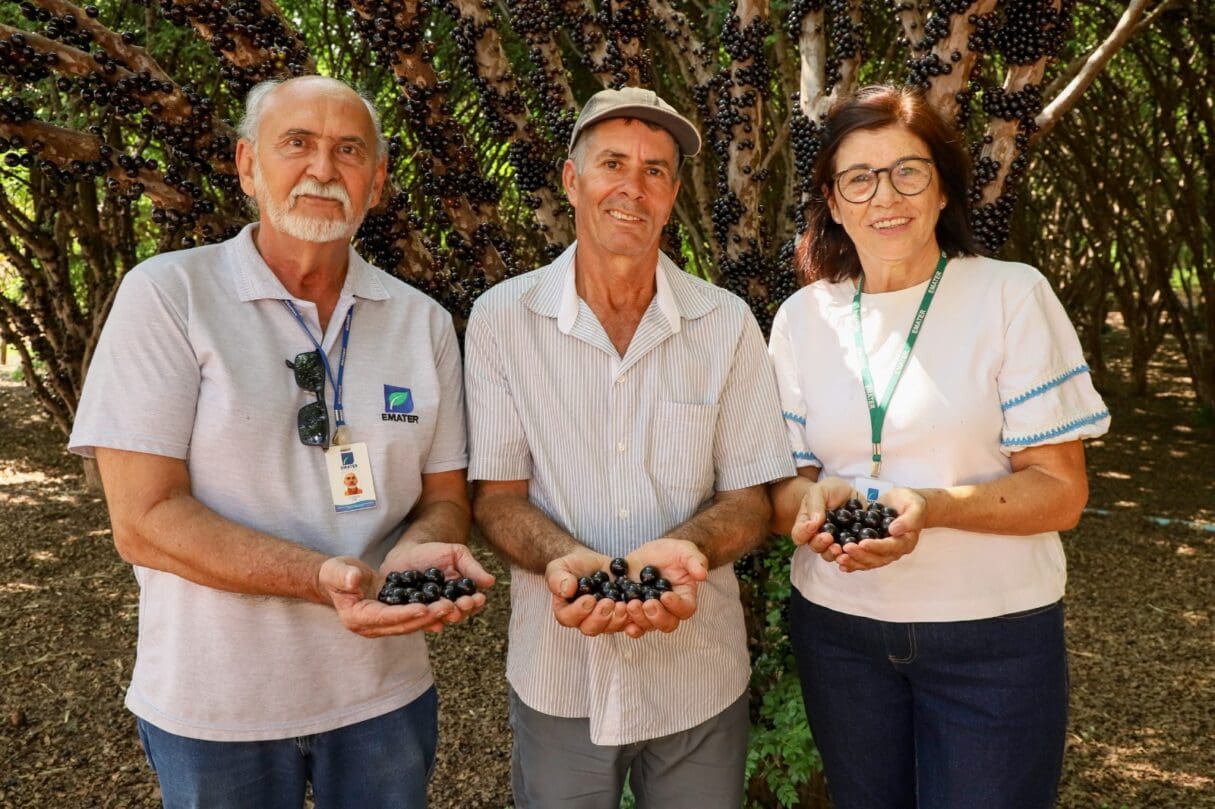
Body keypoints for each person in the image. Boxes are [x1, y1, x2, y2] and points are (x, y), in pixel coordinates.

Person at [68, 75, 493, 808]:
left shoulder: (421, 321)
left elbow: (444, 495)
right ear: (246, 164)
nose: (323, 169)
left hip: (382, 693)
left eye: (349, 150)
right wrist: (323, 577)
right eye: (297, 143)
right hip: (216, 703)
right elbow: (142, 521)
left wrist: (422, 546)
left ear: (378, 180)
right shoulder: (170, 295)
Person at [767, 84, 1111, 809]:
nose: (883, 196)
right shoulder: (803, 318)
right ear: (831, 200)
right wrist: (813, 502)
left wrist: (925, 506)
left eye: (907, 171)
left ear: (941, 186)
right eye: (857, 177)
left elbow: (1060, 489)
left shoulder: (1009, 296)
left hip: (991, 640)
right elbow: (784, 486)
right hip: (839, 632)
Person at [464, 87, 795, 808]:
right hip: (559, 673)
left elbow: (749, 499)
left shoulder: (726, 323)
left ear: (673, 194)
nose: (631, 186)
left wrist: (685, 551)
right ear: (570, 179)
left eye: (654, 170)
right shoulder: (500, 320)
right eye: (612, 162)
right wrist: (562, 560)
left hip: (696, 674)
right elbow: (495, 496)